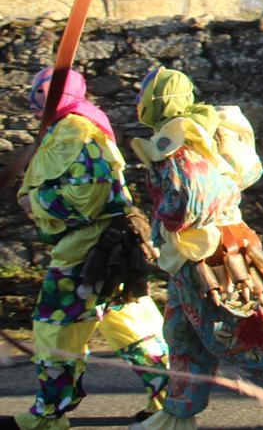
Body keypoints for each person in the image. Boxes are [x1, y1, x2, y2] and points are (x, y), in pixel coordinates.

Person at [130, 67, 263, 430]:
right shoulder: (196, 129)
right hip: (193, 256)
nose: (138, 101)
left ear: (159, 99)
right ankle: (178, 415)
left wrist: (165, 220)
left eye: (143, 94)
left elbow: (193, 201)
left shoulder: (177, 138)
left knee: (234, 332)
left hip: (205, 257)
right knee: (182, 336)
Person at [2, 68, 169, 430]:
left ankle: (48, 415)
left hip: (88, 252)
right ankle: (170, 400)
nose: (34, 105)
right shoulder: (78, 127)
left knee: (55, 327)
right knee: (130, 321)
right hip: (113, 245)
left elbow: (89, 193)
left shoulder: (76, 130)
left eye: (40, 96)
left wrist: (38, 203)